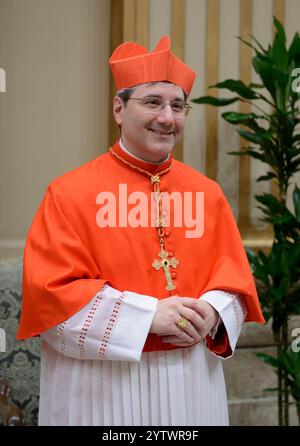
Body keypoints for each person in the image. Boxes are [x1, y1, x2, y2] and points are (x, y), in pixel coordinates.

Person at [17, 35, 264, 426]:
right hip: (103, 389)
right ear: (119, 108)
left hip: (191, 382)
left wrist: (213, 311)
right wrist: (148, 316)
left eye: (178, 106)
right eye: (152, 102)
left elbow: (233, 281)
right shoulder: (68, 194)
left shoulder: (207, 193)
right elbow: (51, 299)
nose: (167, 117)